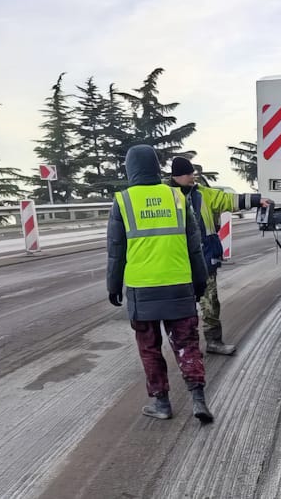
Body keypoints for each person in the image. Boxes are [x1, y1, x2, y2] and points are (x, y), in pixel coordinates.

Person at [106, 144, 213, 423]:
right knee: (187, 344)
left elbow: (116, 251)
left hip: (142, 290)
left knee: (149, 348)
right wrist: (200, 281)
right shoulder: (177, 197)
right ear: (156, 167)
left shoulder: (123, 201)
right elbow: (194, 246)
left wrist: (113, 286)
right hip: (179, 284)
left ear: (130, 169)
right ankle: (198, 400)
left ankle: (162, 404)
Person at [166, 156, 270, 355]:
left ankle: (214, 342)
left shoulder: (203, 194)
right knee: (183, 308)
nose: (193, 177)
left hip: (204, 259)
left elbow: (229, 200)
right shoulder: (165, 196)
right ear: (177, 176)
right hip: (177, 263)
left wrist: (257, 200)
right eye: (188, 174)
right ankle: (188, 349)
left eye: (193, 173)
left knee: (210, 303)